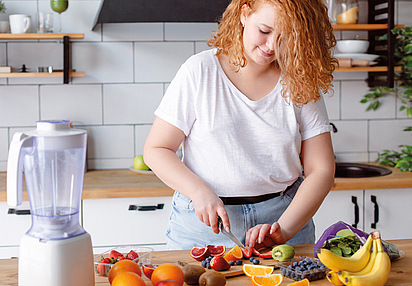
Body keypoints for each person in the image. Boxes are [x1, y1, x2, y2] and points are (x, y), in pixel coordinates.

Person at [144, 0, 337, 250]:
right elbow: (156, 149)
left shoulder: (299, 80)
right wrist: (198, 191)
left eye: (286, 37)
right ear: (245, 14)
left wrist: (284, 228)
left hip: (284, 216)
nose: (271, 46)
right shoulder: (199, 71)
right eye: (265, 31)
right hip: (203, 223)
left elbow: (321, 169)